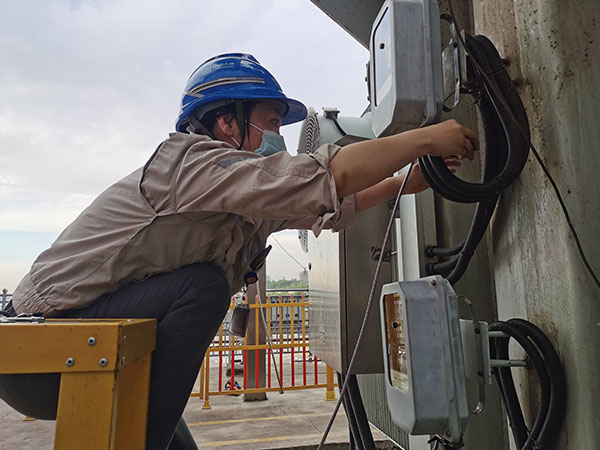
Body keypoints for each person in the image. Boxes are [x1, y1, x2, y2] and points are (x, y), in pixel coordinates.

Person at [0, 53, 478, 449]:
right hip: (42, 348)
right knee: (202, 288)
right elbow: (324, 175)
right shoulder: (189, 164)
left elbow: (325, 204)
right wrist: (425, 137)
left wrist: (402, 183)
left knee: (167, 428)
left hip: (100, 342)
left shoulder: (240, 206)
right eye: (270, 122)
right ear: (227, 121)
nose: (279, 137)